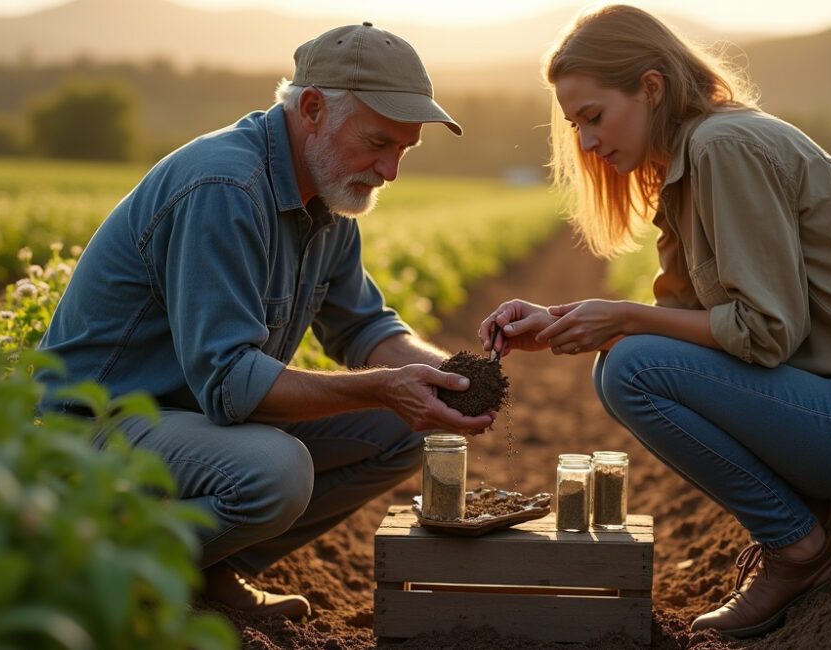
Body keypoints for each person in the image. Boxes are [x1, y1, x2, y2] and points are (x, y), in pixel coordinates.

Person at [479, 5, 831, 639]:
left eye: (595, 117)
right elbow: (693, 326)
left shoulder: (723, 146)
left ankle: (800, 549)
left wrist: (623, 317)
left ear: (651, 86)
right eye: (577, 126)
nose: (588, 142)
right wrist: (559, 321)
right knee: (627, 359)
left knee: (630, 365)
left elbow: (763, 333)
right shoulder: (690, 163)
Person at [37, 22, 496, 620]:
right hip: (95, 430)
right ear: (311, 109)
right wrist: (384, 388)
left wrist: (455, 376)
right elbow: (231, 383)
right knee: (276, 472)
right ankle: (100, 579)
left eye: (403, 150)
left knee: (406, 430)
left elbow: (365, 329)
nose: (390, 171)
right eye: (378, 142)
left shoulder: (328, 202)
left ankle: (204, 572)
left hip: (188, 425)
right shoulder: (225, 187)